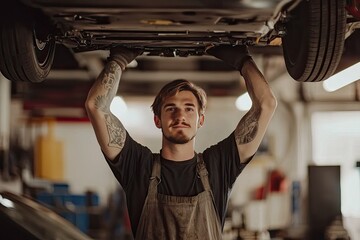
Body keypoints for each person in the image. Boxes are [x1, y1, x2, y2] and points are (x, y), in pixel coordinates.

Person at [85, 45, 277, 239]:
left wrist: (243, 61)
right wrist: (118, 61)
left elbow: (266, 104)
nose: (180, 116)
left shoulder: (218, 165)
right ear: (157, 120)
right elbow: (96, 106)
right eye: (170, 108)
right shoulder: (137, 165)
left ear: (200, 120)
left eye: (189, 108)